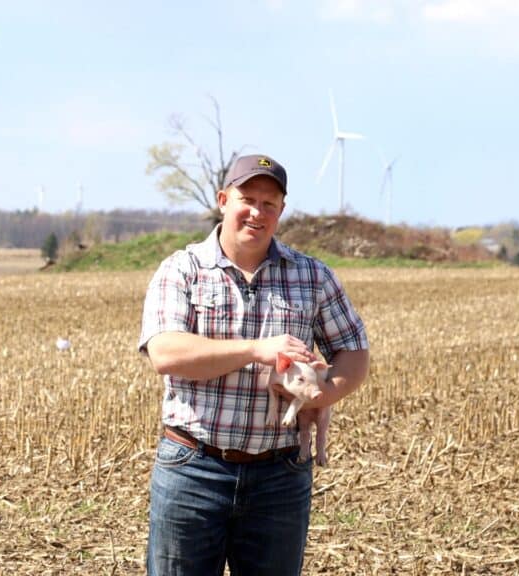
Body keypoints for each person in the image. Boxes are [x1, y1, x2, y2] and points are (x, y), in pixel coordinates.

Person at [138, 154, 370, 575]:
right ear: (223, 200)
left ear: (282, 211)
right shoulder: (183, 270)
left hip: (280, 475)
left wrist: (323, 391)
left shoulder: (313, 277)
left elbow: (354, 351)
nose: (257, 212)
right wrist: (255, 350)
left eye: (269, 203)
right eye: (248, 198)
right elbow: (165, 352)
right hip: (193, 468)